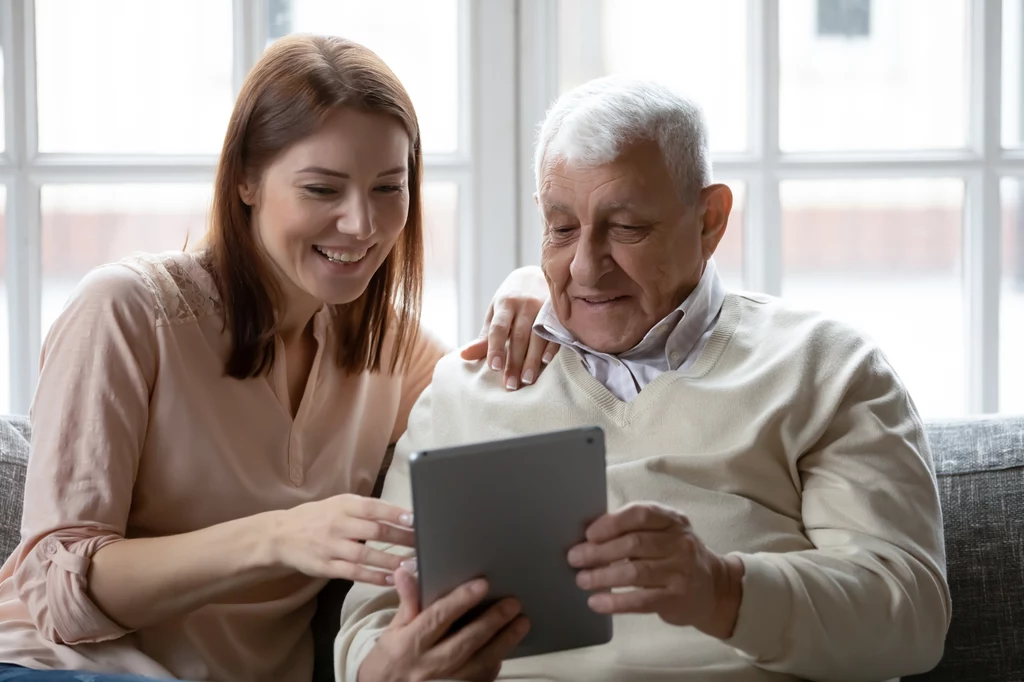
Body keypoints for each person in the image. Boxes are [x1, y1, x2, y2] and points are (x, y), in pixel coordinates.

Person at [337, 76, 952, 682]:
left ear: (710, 219)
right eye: (562, 227)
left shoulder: (825, 367)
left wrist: (721, 590)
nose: (585, 267)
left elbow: (909, 615)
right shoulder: (463, 393)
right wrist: (390, 669)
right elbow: (369, 626)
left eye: (626, 228)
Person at [0, 35, 557, 682]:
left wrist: (535, 283)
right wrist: (282, 536)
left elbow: (504, 400)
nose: (362, 224)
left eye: (388, 187)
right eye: (323, 189)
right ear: (245, 181)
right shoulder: (128, 312)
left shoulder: (389, 349)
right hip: (58, 667)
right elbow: (59, 593)